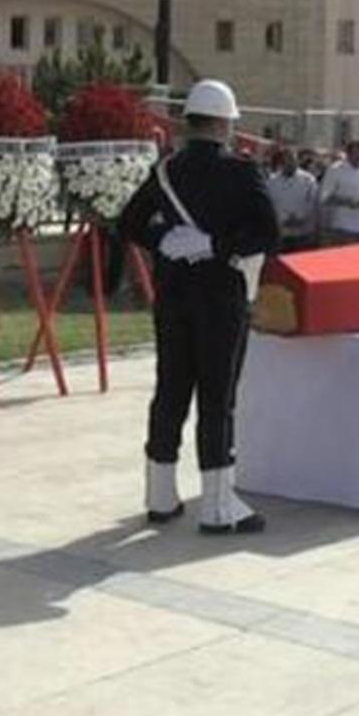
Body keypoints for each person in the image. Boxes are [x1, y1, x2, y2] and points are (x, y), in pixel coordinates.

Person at [119, 79, 279, 535]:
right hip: (221, 298)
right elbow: (268, 235)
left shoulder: (166, 171)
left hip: (172, 296)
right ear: (226, 122)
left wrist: (162, 239)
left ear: (189, 122)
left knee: (169, 391)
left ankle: (160, 495)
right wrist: (217, 244)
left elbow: (128, 223)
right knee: (217, 398)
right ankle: (217, 505)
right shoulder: (241, 172)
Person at [318, 140, 359, 245]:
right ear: (348, 154)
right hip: (344, 227)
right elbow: (325, 197)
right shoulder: (335, 169)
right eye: (355, 153)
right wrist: (345, 201)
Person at [265, 147, 319, 252]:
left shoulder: (308, 180)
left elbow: (313, 202)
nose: (290, 163)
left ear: (297, 161)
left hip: (302, 232)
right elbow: (270, 203)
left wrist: (300, 218)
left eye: (293, 160)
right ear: (282, 162)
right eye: (287, 160)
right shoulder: (272, 181)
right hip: (281, 231)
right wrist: (283, 219)